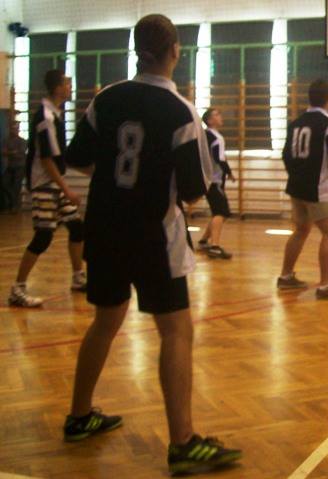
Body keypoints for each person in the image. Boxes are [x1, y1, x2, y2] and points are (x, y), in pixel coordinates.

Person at [63, 14, 241, 475]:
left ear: (135, 50)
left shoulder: (105, 98)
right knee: (176, 330)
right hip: (153, 236)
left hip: (104, 228)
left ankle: (79, 416)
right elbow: (194, 190)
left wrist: (116, 179)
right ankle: (182, 442)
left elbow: (78, 158)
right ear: (175, 51)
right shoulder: (180, 111)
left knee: (105, 320)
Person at [7, 69, 86, 308]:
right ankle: (18, 289)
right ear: (57, 88)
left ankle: (78, 277)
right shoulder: (46, 117)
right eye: (67, 84)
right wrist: (67, 189)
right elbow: (47, 160)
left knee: (77, 227)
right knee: (43, 236)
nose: (70, 87)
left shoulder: (55, 114)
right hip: (44, 183)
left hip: (54, 183)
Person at [277, 79, 328, 300]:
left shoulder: (295, 124)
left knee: (301, 229)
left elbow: (285, 155)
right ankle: (326, 285)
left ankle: (285, 276)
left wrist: (296, 175)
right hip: (319, 188)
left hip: (296, 187)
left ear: (309, 99)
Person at [197, 107, 236, 259]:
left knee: (217, 213)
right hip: (214, 181)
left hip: (207, 180)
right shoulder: (216, 137)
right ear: (209, 120)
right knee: (222, 212)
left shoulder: (205, 136)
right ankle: (215, 247)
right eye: (216, 114)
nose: (220, 116)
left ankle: (203, 241)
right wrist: (229, 172)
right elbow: (219, 158)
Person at [3, 121, 27, 213]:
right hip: (10, 166)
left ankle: (14, 206)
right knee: (4, 183)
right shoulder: (6, 140)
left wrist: (10, 153)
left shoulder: (22, 141)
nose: (14, 130)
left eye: (15, 128)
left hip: (20, 166)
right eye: (12, 129)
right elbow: (3, 152)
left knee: (16, 186)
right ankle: (13, 204)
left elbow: (20, 153)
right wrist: (13, 152)